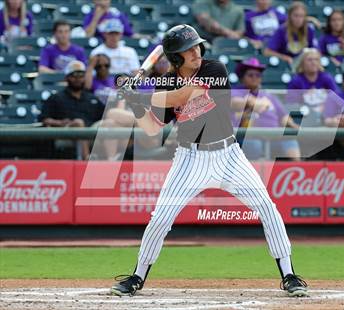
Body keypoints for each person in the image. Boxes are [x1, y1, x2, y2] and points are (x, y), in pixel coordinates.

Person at [110, 24, 308, 297]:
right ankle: (137, 277)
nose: (196, 52)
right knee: (160, 219)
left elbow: (183, 95)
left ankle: (289, 274)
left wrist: (138, 93)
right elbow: (153, 128)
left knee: (266, 207)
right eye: (188, 49)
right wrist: (133, 102)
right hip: (189, 158)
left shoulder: (214, 69)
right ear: (176, 57)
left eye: (196, 46)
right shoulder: (164, 83)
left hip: (228, 155)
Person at [232, 57, 300, 160]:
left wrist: (292, 124)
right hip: (247, 135)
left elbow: (283, 116)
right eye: (250, 75)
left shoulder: (269, 96)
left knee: (289, 140)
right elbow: (234, 103)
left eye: (258, 75)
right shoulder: (236, 92)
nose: (255, 77)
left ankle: (296, 168)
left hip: (274, 135)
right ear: (242, 78)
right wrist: (252, 103)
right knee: (254, 145)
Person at [39, 60, 104, 160]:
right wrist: (61, 123)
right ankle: (86, 158)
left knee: (108, 123)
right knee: (79, 123)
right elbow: (44, 119)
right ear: (67, 78)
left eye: (81, 76)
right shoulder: (56, 97)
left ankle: (112, 161)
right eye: (74, 76)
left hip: (90, 132)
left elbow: (103, 115)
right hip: (67, 131)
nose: (78, 79)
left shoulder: (92, 98)